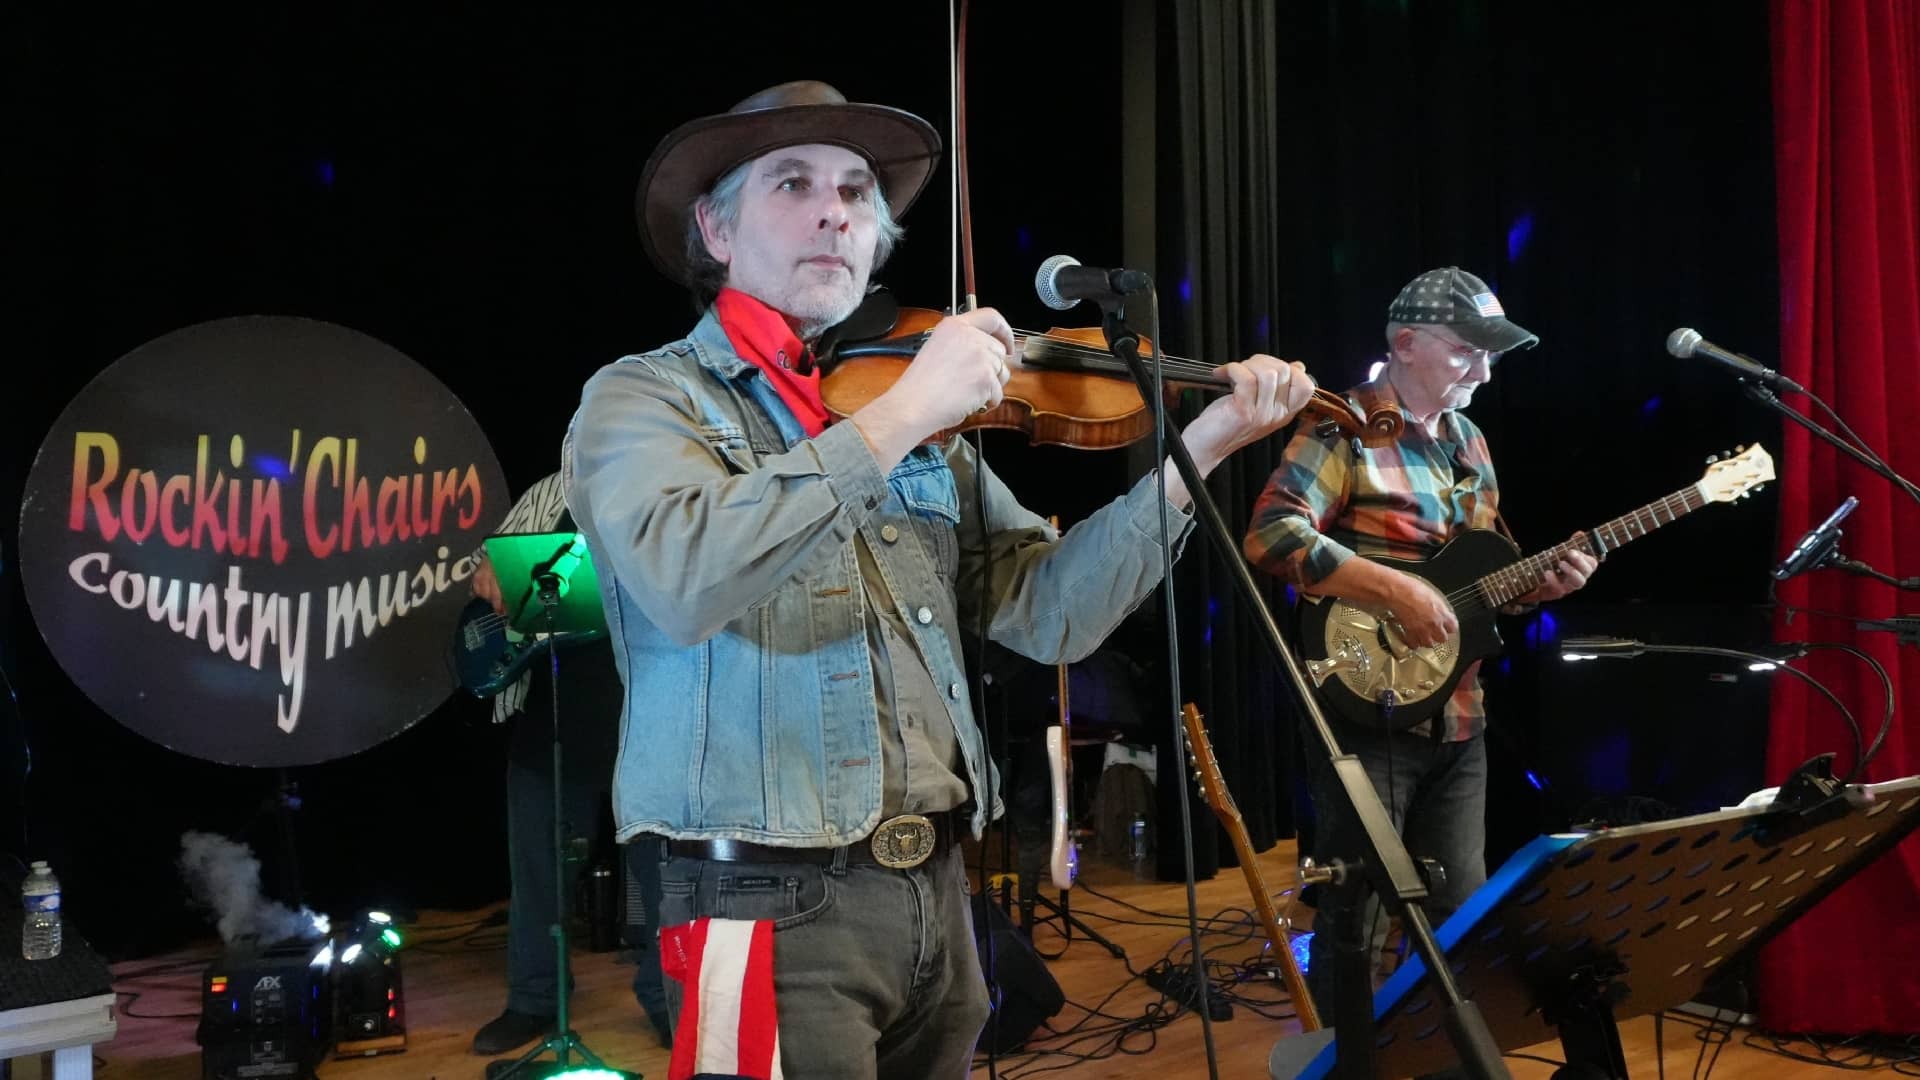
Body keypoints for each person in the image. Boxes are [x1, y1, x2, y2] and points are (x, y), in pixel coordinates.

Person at [561, 79, 1317, 1080]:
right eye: (794, 184)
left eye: (857, 191)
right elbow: (685, 576)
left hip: (937, 889)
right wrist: (901, 419)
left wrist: (1202, 453)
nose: (838, 210)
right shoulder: (646, 398)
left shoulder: (909, 417)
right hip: (760, 902)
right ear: (715, 228)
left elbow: (1049, 616)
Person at [1242, 266, 1599, 1033]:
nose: (1484, 369)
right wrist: (1388, 588)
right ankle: (1349, 1059)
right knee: (1358, 911)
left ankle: (1439, 1050)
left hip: (1458, 711)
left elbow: (1482, 578)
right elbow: (1272, 534)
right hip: (1368, 707)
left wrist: (1545, 582)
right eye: (1468, 351)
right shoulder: (1344, 425)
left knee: (1459, 910)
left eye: (1491, 356)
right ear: (1405, 343)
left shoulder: (1470, 439)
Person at [464, 471, 672, 1058]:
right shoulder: (553, 491)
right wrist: (487, 573)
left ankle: (667, 1001)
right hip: (552, 712)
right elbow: (487, 563)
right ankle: (533, 999)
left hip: (650, 715)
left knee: (662, 876)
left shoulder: (671, 477)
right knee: (538, 870)